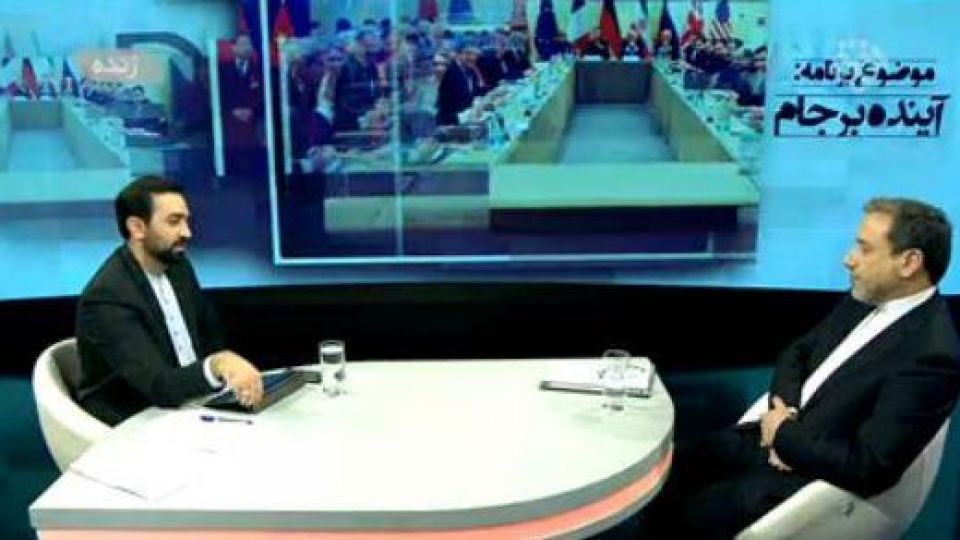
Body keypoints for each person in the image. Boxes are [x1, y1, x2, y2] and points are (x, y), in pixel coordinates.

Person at [645, 197, 960, 539]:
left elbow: (869, 466)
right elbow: (797, 353)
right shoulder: (866, 298)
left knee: (694, 516)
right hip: (775, 438)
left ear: (909, 262)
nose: (849, 259)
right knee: (667, 468)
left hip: (806, 479)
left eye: (865, 249)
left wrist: (785, 436)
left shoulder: (930, 355)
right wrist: (786, 415)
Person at [76, 176, 264, 426]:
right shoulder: (107, 298)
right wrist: (218, 365)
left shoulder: (178, 266)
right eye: (174, 222)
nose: (187, 232)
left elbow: (210, 339)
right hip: (133, 420)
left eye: (186, 220)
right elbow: (158, 386)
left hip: (191, 405)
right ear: (137, 228)